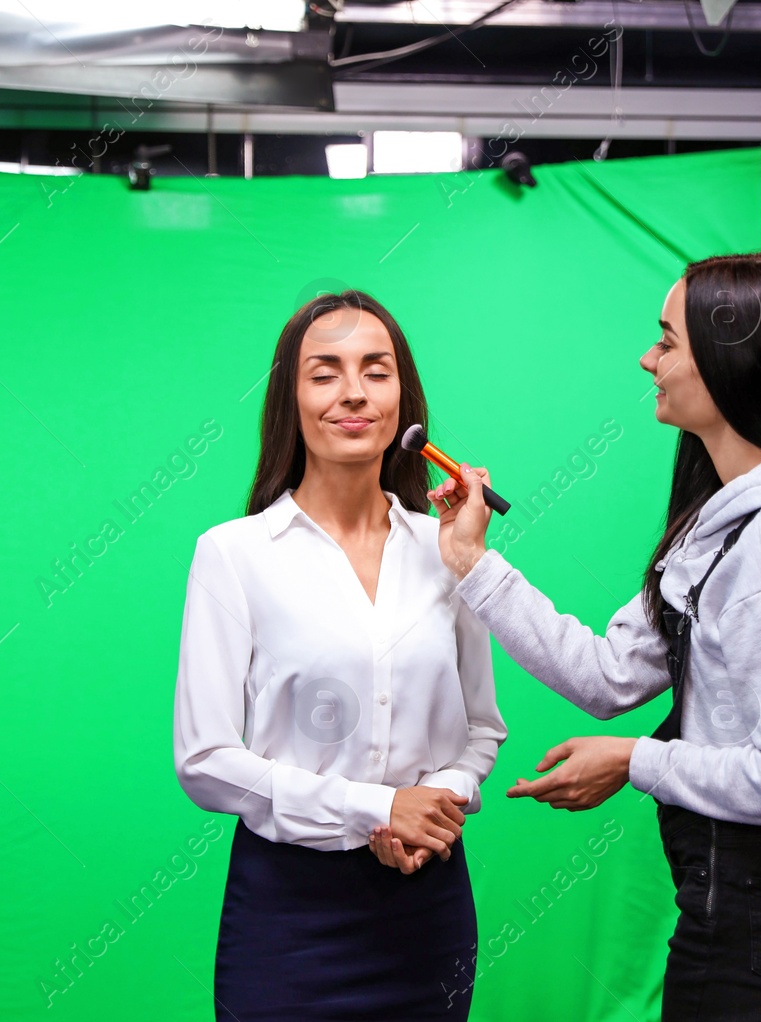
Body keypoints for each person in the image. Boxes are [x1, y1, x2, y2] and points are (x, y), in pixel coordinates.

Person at [427, 252, 761, 1021]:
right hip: (747, 917)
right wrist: (472, 561)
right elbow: (607, 678)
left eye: (667, 340)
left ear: (731, 360)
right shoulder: (722, 523)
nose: (649, 358)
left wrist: (638, 759)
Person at [172, 289, 507, 1020]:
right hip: (289, 914)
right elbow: (204, 760)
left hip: (431, 902)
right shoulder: (233, 555)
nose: (353, 392)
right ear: (290, 398)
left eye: (375, 371)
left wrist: (437, 808)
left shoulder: (449, 549)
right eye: (324, 373)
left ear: (404, 401)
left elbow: (482, 728)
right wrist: (379, 808)